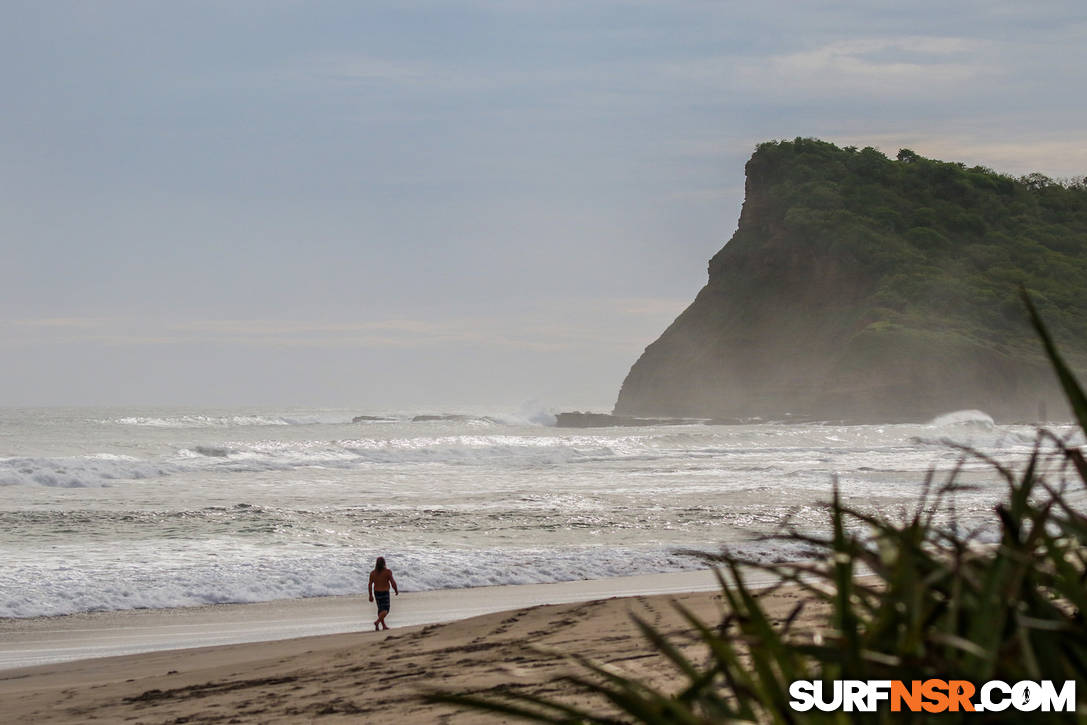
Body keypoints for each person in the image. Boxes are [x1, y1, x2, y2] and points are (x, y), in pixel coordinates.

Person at [368, 556, 398, 630]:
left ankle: (383, 626)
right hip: (384, 592)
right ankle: (377, 622)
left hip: (376, 592)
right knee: (385, 610)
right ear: (384, 563)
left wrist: (370, 595)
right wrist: (396, 590)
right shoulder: (387, 572)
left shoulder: (372, 573)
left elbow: (370, 584)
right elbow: (392, 582)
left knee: (380, 610)